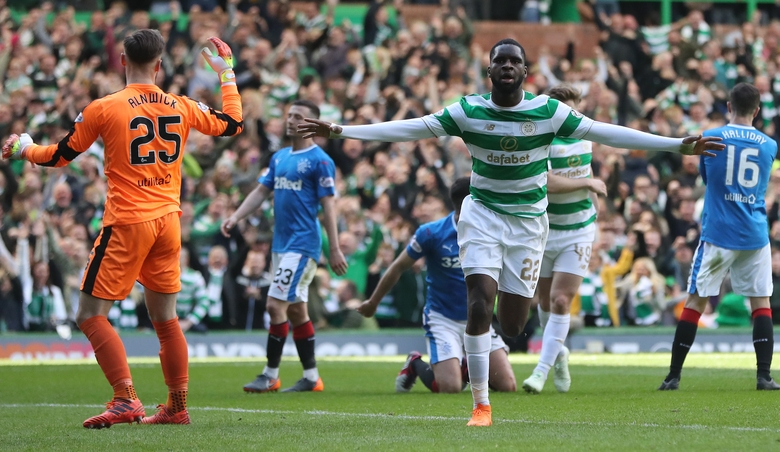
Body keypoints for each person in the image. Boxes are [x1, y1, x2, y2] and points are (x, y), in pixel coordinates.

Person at [298, 38, 722, 426]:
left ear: (525, 73)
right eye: (499, 60)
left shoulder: (547, 112)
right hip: (481, 216)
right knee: (479, 304)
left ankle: (497, 349)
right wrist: (340, 130)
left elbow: (608, 133)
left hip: (528, 225)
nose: (506, 66)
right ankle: (480, 404)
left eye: (514, 61)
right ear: (490, 72)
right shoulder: (469, 111)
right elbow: (409, 127)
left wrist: (674, 144)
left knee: (515, 324)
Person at [2, 31, 243, 427]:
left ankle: (125, 398)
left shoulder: (104, 107)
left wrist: (24, 147)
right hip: (168, 221)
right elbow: (233, 124)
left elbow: (60, 156)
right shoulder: (179, 105)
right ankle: (177, 406)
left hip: (129, 222)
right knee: (166, 321)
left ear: (122, 62)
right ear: (160, 65)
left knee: (90, 314)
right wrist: (226, 75)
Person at [659, 83, 780, 391]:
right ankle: (763, 376)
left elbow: (707, 177)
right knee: (760, 302)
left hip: (718, 231)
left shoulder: (711, 137)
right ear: (757, 111)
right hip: (754, 233)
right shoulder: (769, 145)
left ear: (728, 106)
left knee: (696, 301)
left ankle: (673, 375)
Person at [221, 99, 347, 394]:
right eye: (289, 115)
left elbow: (329, 206)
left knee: (274, 304)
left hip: (303, 245)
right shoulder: (279, 158)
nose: (290, 120)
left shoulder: (320, 161)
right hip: (281, 245)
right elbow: (260, 192)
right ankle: (312, 377)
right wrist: (236, 216)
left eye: (298, 116)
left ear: (313, 124)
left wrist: (335, 247)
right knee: (296, 312)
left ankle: (270, 374)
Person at [357, 177, 516, 394]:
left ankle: (464, 365)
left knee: (508, 386)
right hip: (443, 319)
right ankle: (415, 363)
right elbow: (397, 266)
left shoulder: (491, 231)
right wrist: (373, 302)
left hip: (478, 318)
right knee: (450, 387)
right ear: (471, 202)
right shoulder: (432, 233)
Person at [522, 85, 607, 395]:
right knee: (543, 302)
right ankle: (558, 354)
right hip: (544, 230)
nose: (574, 117)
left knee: (560, 300)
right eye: (568, 111)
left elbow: (585, 167)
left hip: (578, 230)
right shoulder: (540, 142)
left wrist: (595, 200)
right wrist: (588, 182)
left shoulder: (584, 137)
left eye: (577, 110)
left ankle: (541, 371)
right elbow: (546, 182)